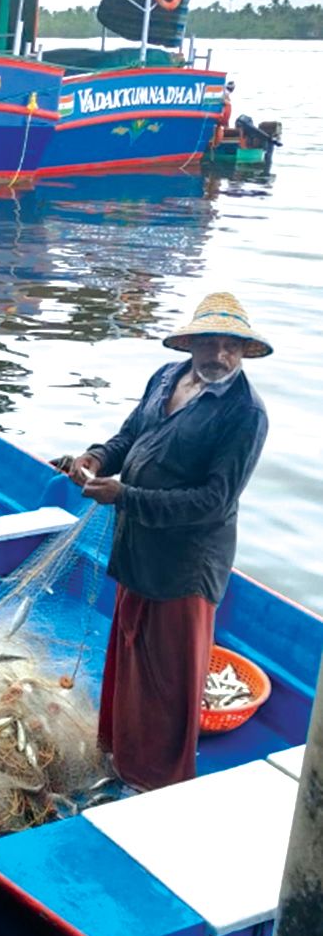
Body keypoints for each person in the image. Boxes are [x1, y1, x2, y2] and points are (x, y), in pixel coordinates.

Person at [63, 292, 270, 790]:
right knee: (130, 655)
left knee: (168, 681)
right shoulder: (166, 378)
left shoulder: (245, 413)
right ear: (190, 344)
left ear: (244, 351)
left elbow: (214, 502)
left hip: (186, 565)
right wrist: (96, 458)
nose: (220, 355)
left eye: (232, 346)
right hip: (138, 547)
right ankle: (118, 754)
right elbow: (130, 436)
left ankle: (156, 782)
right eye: (210, 343)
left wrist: (125, 496)